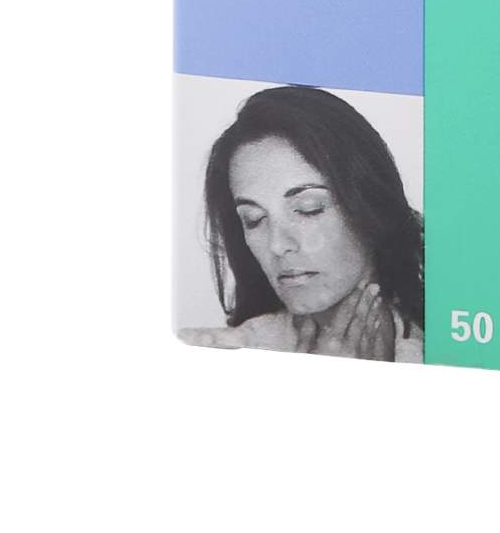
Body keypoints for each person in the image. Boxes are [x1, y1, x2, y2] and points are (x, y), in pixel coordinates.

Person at [181, 85, 424, 361]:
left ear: (370, 205)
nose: (277, 245)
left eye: (308, 209)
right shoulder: (204, 351)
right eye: (254, 220)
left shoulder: (449, 342)